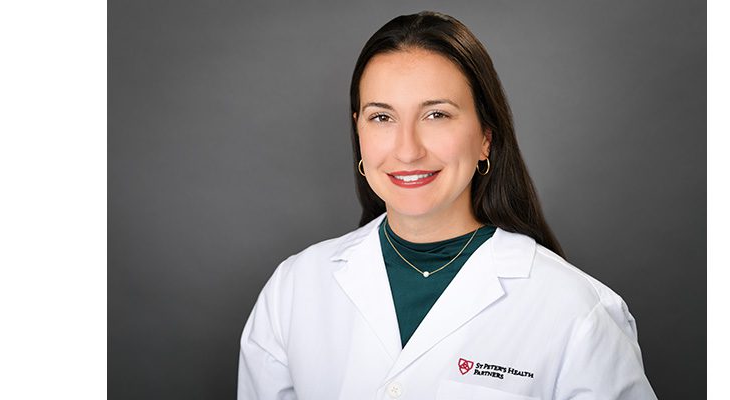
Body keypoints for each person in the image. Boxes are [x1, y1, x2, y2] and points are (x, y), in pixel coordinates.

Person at [238, 11, 657, 400]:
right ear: (359, 131)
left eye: (436, 115)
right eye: (382, 117)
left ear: (485, 137)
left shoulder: (577, 310)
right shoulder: (293, 290)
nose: (407, 150)